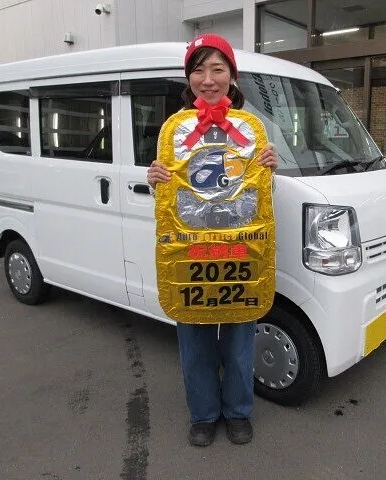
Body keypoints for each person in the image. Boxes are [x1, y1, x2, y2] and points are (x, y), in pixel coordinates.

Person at [146, 33, 278, 447]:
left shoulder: (252, 130)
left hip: (239, 249)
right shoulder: (175, 130)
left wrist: (270, 170)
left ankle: (238, 412)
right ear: (189, 78)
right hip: (191, 251)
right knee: (195, 344)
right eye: (199, 70)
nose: (208, 79)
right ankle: (203, 415)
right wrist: (155, 180)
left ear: (231, 76)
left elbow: (257, 197)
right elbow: (172, 194)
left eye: (217, 69)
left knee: (239, 342)